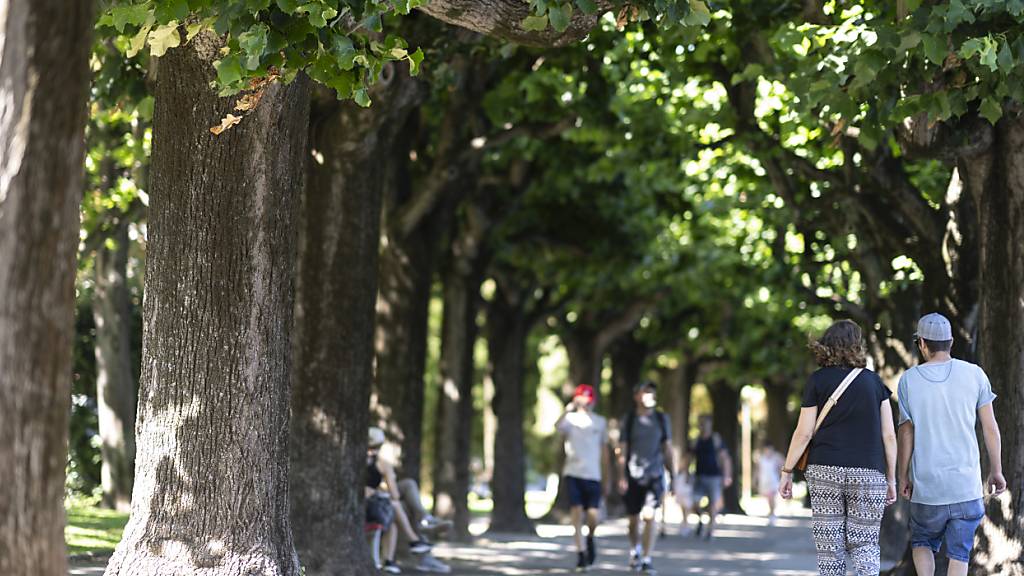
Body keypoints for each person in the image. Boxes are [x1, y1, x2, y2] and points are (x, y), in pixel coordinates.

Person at [779, 319, 898, 576]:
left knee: (830, 548)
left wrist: (787, 470)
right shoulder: (874, 383)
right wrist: (891, 478)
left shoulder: (817, 381)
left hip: (824, 472)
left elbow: (804, 432)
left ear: (827, 346)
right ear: (858, 346)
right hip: (868, 473)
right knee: (865, 543)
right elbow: (889, 435)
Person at [896, 313, 1007, 576]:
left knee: (922, 540)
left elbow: (906, 434)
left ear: (922, 343)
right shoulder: (975, 374)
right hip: (966, 487)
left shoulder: (909, 380)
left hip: (927, 488)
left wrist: (903, 477)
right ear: (951, 342)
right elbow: (990, 428)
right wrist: (996, 470)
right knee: (960, 552)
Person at [616, 381, 676, 574]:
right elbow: (622, 449)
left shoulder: (661, 419)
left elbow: (667, 448)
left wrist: (672, 474)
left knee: (650, 515)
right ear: (636, 396)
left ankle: (647, 558)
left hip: (655, 474)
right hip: (633, 474)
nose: (650, 395)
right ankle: (635, 550)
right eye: (645, 392)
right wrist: (621, 475)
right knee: (634, 520)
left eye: (652, 392)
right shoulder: (630, 419)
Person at [555, 384, 611, 572]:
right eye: (582, 399)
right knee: (577, 512)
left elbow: (604, 451)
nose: (585, 404)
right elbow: (557, 426)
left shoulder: (600, 422)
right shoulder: (569, 419)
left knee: (593, 516)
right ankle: (581, 554)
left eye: (588, 400)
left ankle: (590, 538)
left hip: (593, 474)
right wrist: (568, 408)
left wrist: (607, 475)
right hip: (573, 473)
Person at [367, 427, 434, 574]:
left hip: (369, 504)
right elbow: (395, 494)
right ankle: (415, 538)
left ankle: (389, 560)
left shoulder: (361, 459)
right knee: (395, 504)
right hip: (369, 509)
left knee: (393, 520)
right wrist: (390, 475)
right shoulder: (381, 463)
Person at [687, 414, 732, 540]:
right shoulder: (696, 441)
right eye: (700, 423)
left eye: (705, 423)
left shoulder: (716, 440)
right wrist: (685, 472)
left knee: (713, 504)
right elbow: (689, 457)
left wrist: (727, 475)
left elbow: (725, 458)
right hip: (699, 476)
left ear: (710, 424)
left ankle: (710, 530)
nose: (703, 426)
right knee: (694, 503)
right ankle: (701, 519)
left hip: (714, 477)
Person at [757, 443, 784, 524]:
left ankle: (772, 513)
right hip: (764, 481)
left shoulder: (776, 458)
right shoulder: (761, 458)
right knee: (768, 498)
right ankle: (771, 512)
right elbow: (758, 469)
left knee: (771, 497)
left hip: (773, 481)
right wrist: (755, 479)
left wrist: (782, 476)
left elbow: (782, 465)